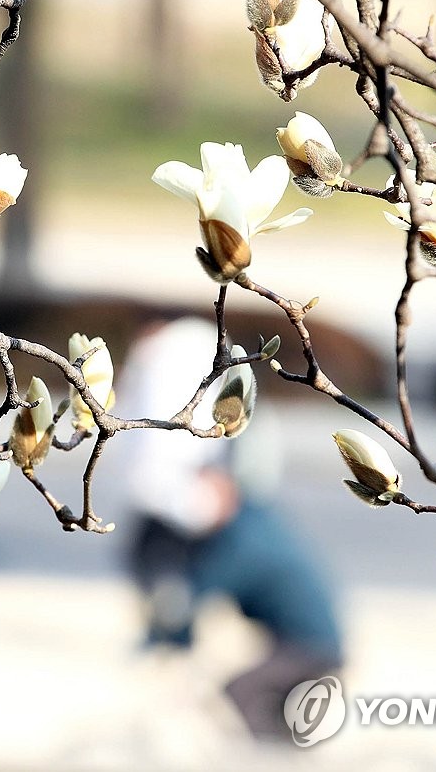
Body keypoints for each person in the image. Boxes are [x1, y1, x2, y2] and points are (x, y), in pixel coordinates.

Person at [116, 314, 343, 740]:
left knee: (243, 696)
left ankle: (271, 756)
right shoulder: (256, 519)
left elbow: (206, 584)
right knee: (258, 707)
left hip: (313, 650)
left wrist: (164, 633)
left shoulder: (244, 533)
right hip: (312, 642)